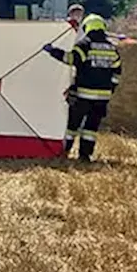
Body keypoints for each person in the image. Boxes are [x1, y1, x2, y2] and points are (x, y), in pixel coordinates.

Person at [43, 15, 122, 162]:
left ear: (87, 27)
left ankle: (64, 151)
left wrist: (53, 51)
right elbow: (117, 72)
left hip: (84, 94)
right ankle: (85, 155)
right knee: (91, 128)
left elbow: (71, 59)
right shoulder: (112, 48)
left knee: (72, 125)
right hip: (103, 97)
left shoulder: (85, 44)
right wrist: (111, 88)